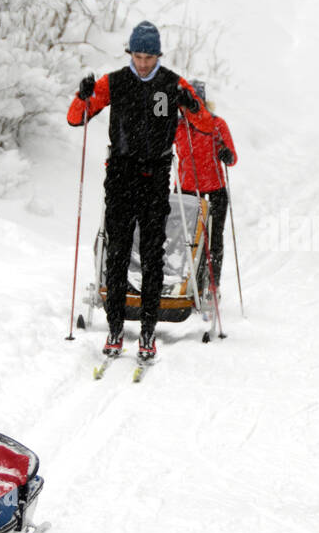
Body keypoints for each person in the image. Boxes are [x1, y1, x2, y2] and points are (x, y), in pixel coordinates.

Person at [67, 21, 202, 361]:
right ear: (130, 54)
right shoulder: (115, 82)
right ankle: (114, 328)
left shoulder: (171, 83)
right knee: (118, 252)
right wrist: (82, 95)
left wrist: (191, 103)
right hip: (122, 175)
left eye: (149, 57)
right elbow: (76, 117)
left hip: (155, 175)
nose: (143, 63)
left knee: (153, 255)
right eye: (138, 56)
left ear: (158, 55)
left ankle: (147, 331)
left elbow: (202, 122)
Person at [176, 81, 237, 296]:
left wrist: (226, 155)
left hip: (214, 191)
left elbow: (232, 158)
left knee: (213, 239)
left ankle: (212, 285)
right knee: (183, 240)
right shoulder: (178, 126)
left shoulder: (216, 124)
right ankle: (182, 283)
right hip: (186, 191)